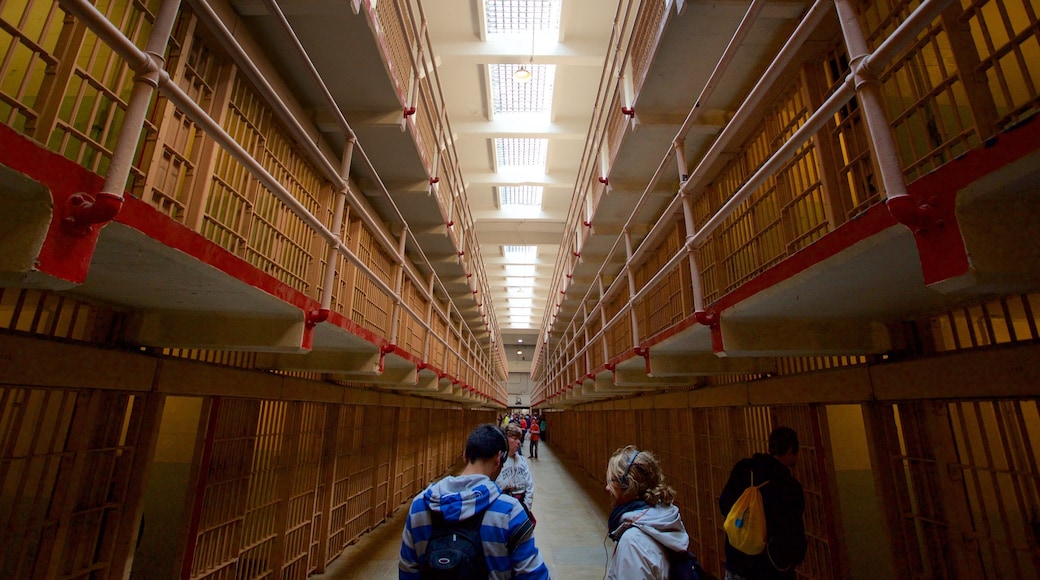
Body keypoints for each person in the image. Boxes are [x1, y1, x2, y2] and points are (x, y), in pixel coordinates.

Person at [399, 423, 549, 579]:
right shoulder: (509, 512)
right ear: (499, 458)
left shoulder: (419, 506)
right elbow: (534, 575)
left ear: (465, 455)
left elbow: (407, 570)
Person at [718, 427, 807, 580]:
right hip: (769, 568)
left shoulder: (743, 469)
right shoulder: (789, 487)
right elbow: (792, 532)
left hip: (736, 560)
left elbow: (724, 505)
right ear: (791, 449)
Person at [605, 445, 690, 579]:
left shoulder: (633, 542)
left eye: (612, 481)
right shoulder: (664, 518)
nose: (607, 488)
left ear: (629, 485)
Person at [496, 424, 535, 514]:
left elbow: (529, 486)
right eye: (514, 438)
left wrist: (526, 507)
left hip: (521, 504)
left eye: (519, 438)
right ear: (505, 440)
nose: (518, 442)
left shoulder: (522, 461)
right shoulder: (498, 461)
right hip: (502, 506)